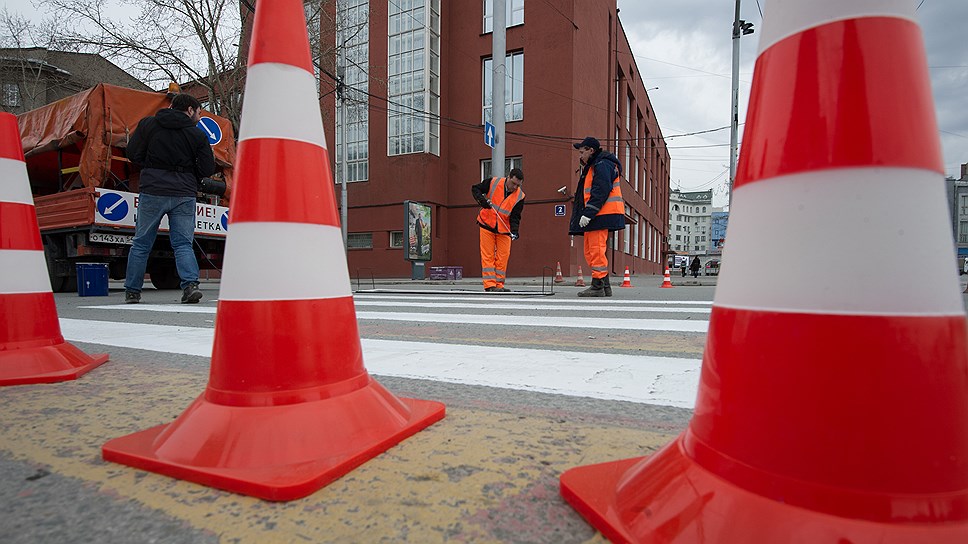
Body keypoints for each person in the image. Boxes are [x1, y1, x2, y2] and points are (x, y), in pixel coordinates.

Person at [123, 93, 215, 304]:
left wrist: (151, 165)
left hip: (153, 190)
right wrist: (192, 174)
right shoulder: (197, 135)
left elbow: (132, 152)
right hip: (183, 193)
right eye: (199, 113)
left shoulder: (148, 125)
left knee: (141, 242)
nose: (200, 118)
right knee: (183, 243)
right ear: (190, 110)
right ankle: (190, 286)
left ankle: (132, 292)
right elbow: (207, 168)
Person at [569, 137, 625, 297]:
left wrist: (588, 213)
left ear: (591, 150)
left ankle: (598, 286)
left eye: (582, 152)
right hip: (598, 214)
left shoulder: (601, 164)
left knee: (595, 250)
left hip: (600, 214)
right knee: (592, 250)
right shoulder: (596, 165)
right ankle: (604, 286)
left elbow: (601, 190)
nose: (580, 156)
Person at [472, 168, 525, 292]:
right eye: (513, 183)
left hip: (504, 229)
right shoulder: (493, 182)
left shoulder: (520, 196)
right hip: (487, 224)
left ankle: (499, 285)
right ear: (508, 177)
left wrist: (515, 231)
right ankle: (490, 285)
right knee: (488, 255)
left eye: (518, 185)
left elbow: (515, 216)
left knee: (503, 257)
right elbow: (475, 189)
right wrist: (483, 201)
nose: (515, 187)